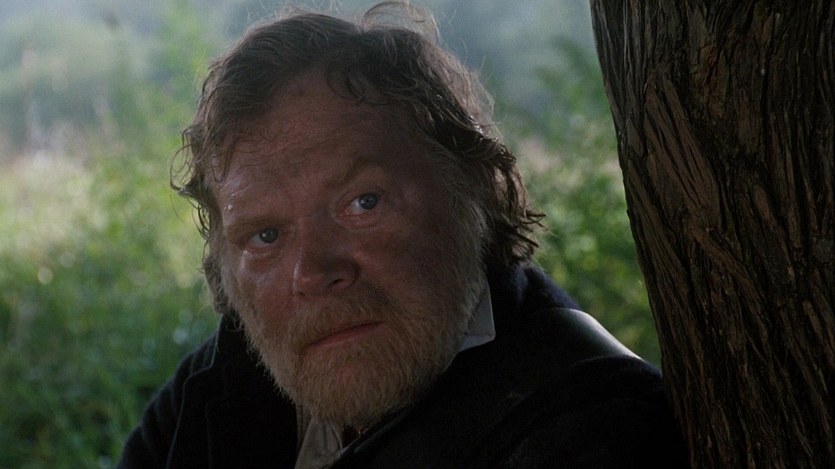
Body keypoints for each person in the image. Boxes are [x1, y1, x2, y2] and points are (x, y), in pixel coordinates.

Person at [119, 3, 687, 468]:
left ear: (478, 192)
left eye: (363, 203)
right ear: (224, 268)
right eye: (266, 235)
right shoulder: (216, 387)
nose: (314, 272)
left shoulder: (596, 428)